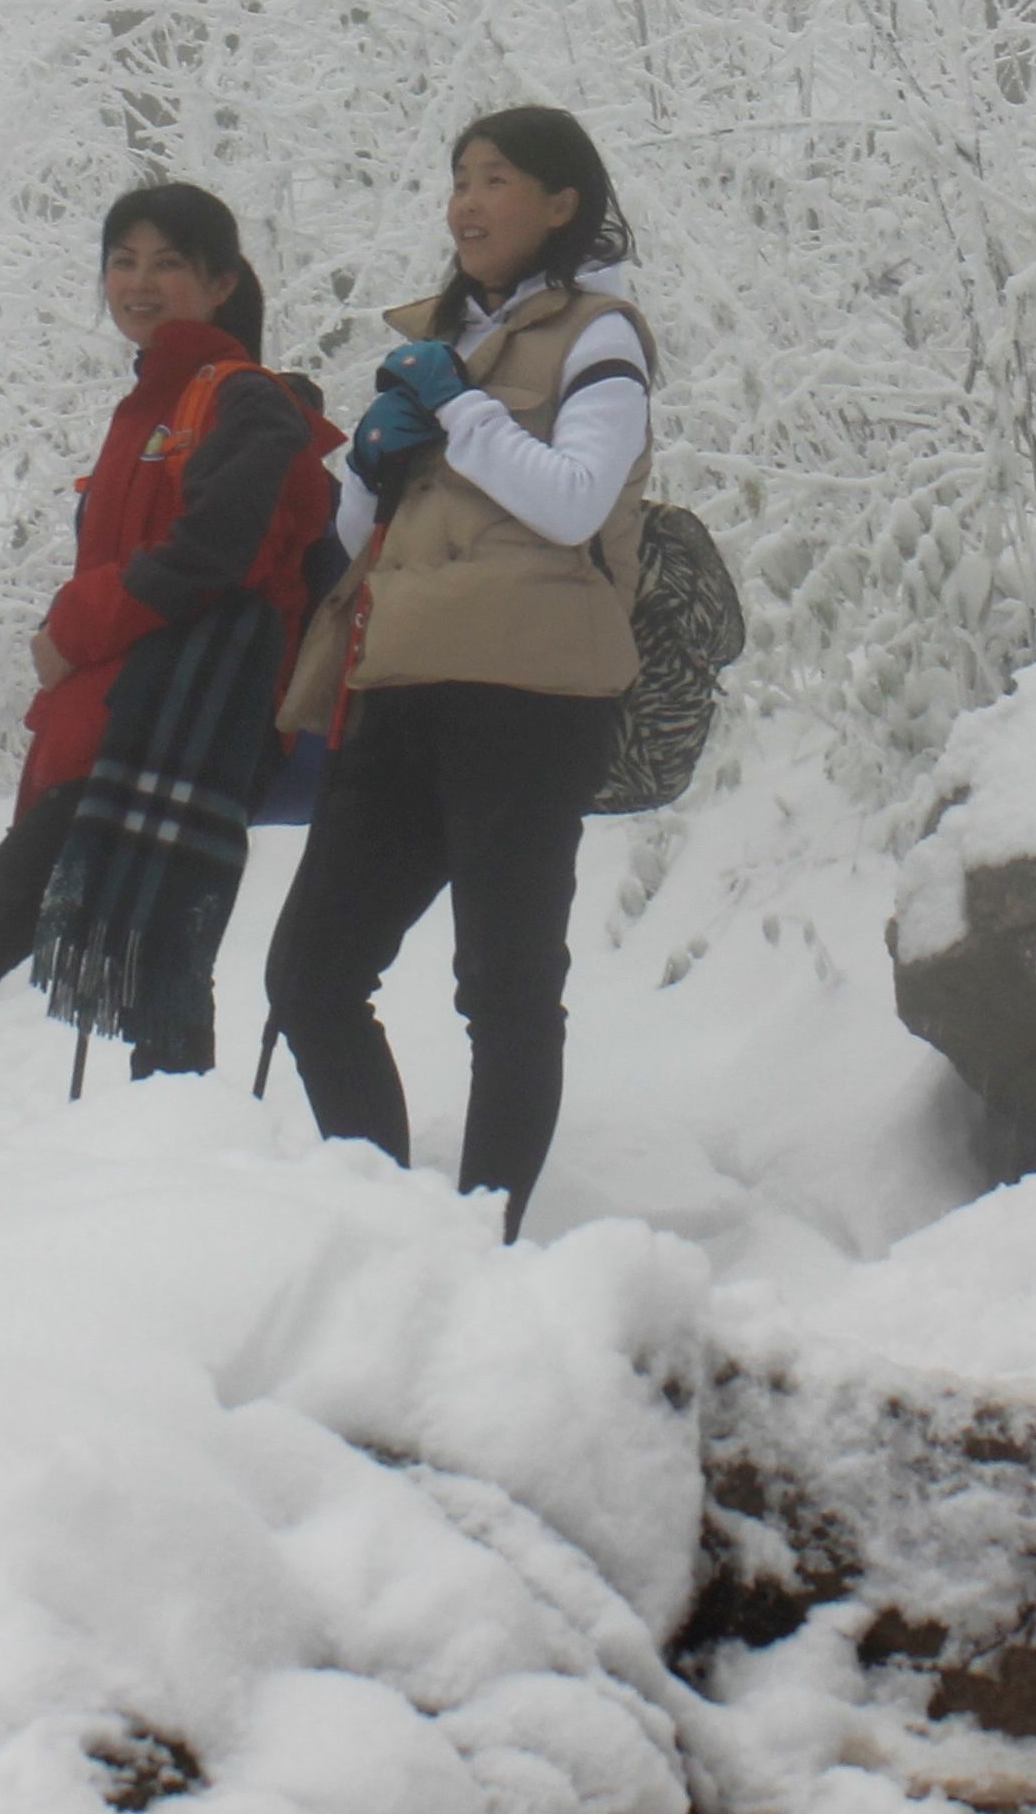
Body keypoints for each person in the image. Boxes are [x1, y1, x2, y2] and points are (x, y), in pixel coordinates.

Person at [0, 185, 332, 1117]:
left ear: (223, 281)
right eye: (123, 261)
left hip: (168, 729)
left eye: (167, 263)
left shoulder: (242, 402)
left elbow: (219, 549)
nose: (139, 282)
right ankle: (179, 1155)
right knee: (157, 958)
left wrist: (76, 624)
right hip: (127, 727)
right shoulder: (151, 407)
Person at [261, 105, 651, 1236]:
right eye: (458, 179)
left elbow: (576, 498)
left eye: (495, 180)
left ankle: (485, 1244)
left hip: (528, 696)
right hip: (402, 678)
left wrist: (458, 404)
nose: (466, 203)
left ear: (562, 203)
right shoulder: (445, 336)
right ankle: (386, 1226)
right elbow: (348, 541)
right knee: (312, 975)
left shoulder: (601, 336)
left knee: (505, 987)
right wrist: (371, 468)